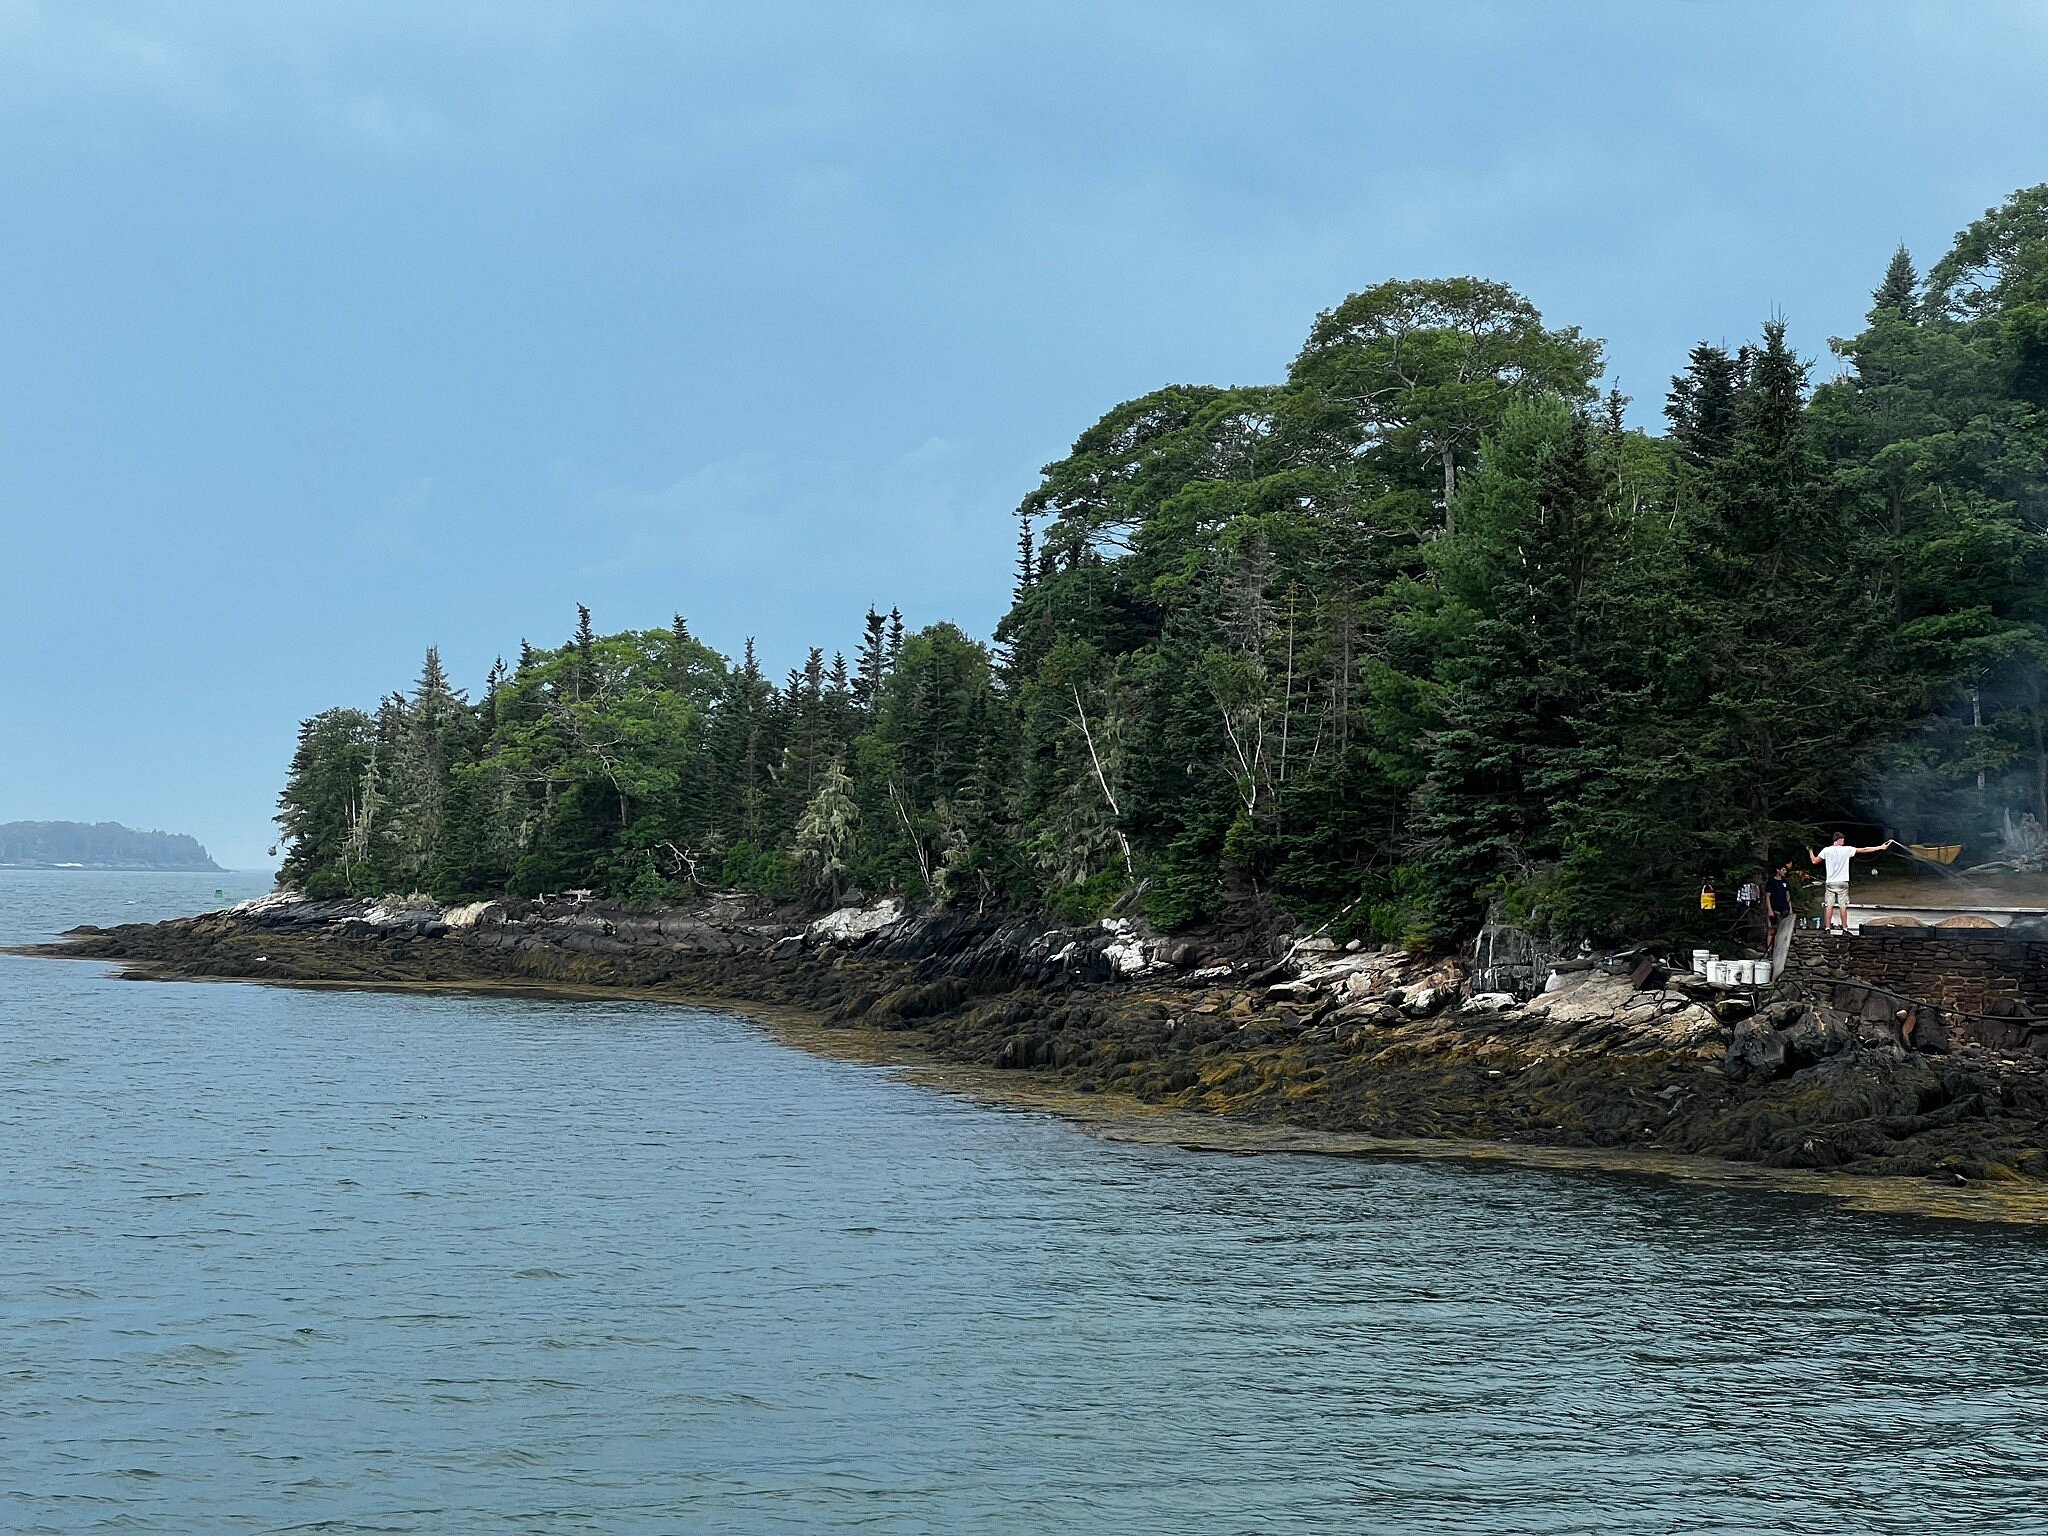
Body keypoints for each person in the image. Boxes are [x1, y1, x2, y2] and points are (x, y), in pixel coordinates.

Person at [1806, 834, 1891, 935]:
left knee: (1829, 905)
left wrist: (1810, 851)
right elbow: (1865, 850)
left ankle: (1827, 928)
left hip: (1830, 882)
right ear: (1839, 840)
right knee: (1843, 906)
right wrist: (1880, 847)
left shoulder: (1826, 850)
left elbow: (1814, 861)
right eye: (1842, 839)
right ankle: (1845, 929)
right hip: (1843, 881)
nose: (1843, 841)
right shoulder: (1847, 849)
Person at [1765, 862, 1793, 950]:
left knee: (1782, 930)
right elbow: (1767, 896)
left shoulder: (1785, 882)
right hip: (1774, 908)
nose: (1784, 871)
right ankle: (1769, 950)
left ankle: (1780, 949)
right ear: (1778, 870)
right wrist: (1769, 909)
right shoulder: (1771, 882)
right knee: (1771, 930)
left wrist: (1790, 909)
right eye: (1783, 869)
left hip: (1784, 908)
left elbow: (1788, 896)